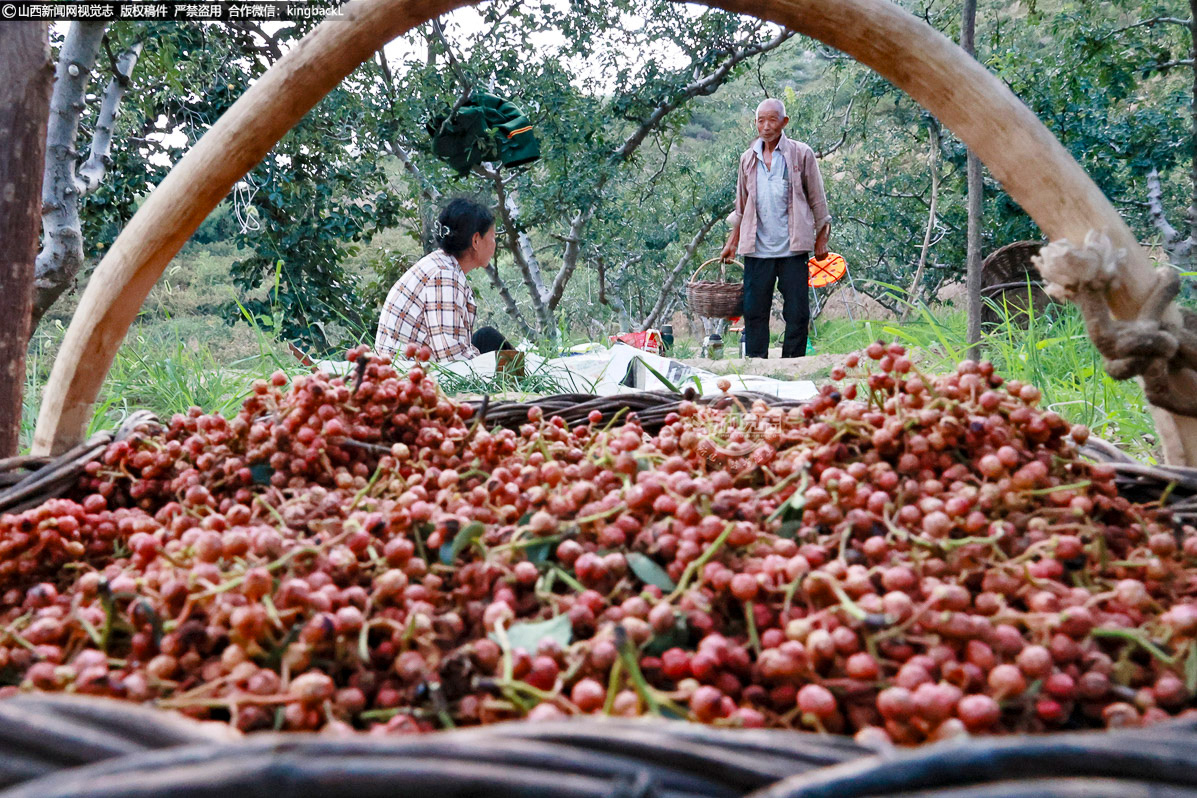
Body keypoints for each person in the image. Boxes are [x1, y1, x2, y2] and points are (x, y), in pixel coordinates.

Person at [720, 98, 831, 359]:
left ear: (784, 122)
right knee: (754, 311)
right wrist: (732, 243)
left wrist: (821, 238)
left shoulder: (801, 154)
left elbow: (817, 199)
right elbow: (741, 206)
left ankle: (792, 362)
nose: (766, 126)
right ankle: (756, 363)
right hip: (757, 248)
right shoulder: (748, 158)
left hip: (793, 248)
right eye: (761, 121)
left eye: (772, 120)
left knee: (798, 312)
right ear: (756, 123)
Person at [375, 198, 513, 362]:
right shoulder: (444, 276)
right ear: (476, 240)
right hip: (409, 372)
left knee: (488, 337)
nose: (494, 244)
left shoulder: (442, 264)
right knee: (501, 355)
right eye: (493, 237)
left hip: (422, 364)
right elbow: (452, 359)